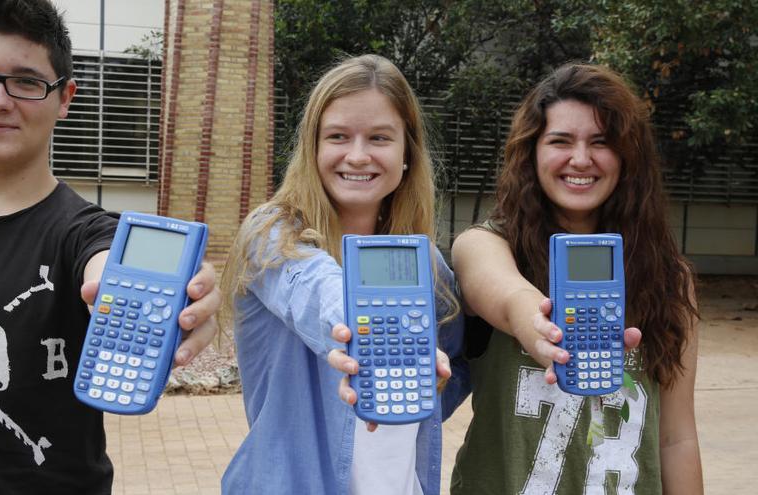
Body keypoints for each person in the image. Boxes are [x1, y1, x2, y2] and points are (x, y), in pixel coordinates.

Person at [0, 1, 219, 493]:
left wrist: (171, 296)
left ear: (65, 98)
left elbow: (109, 264)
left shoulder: (88, 234)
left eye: (26, 82)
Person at [445, 63, 702, 494]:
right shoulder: (486, 245)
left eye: (600, 142)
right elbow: (507, 293)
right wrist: (539, 327)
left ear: (626, 157)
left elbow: (677, 438)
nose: (580, 159)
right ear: (532, 152)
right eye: (560, 141)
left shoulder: (669, 277)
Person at [219, 54, 465, 494]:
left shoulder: (424, 260)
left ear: (407, 151)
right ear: (313, 147)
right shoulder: (273, 234)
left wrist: (414, 389)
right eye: (337, 136)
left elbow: (460, 352)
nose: (357, 155)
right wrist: (364, 331)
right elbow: (315, 290)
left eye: (379, 137)